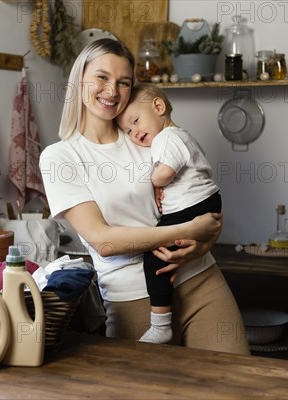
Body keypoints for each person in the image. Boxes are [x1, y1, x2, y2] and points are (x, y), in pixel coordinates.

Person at [39, 38, 249, 354]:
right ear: (79, 77)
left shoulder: (146, 135)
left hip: (200, 278)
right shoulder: (61, 157)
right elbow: (103, 241)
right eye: (102, 77)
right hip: (135, 298)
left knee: (241, 386)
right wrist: (188, 231)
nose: (112, 90)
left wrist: (205, 239)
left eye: (123, 82)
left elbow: (196, 199)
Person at [115, 82, 222, 344]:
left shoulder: (168, 137)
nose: (134, 132)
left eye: (136, 121)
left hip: (194, 206)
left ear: (159, 107)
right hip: (203, 204)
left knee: (154, 259)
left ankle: (161, 325)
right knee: (173, 251)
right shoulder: (173, 137)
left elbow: (163, 175)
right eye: (128, 130)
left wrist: (150, 182)